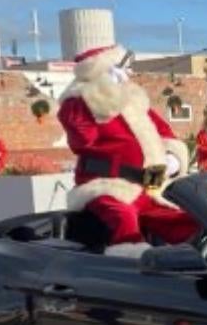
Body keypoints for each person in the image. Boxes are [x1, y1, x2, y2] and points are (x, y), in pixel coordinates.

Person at [57, 44, 198, 247]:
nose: (126, 72)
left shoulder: (133, 100)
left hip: (151, 186)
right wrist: (93, 96)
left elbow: (163, 130)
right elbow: (81, 140)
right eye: (119, 66)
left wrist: (172, 157)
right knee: (123, 223)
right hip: (109, 188)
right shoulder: (82, 103)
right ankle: (132, 270)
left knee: (189, 223)